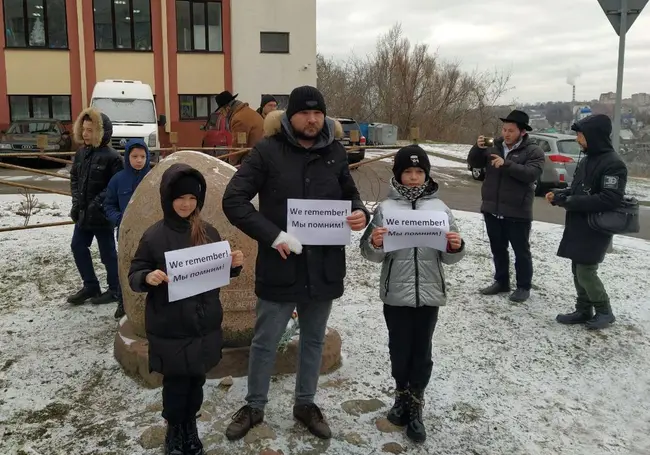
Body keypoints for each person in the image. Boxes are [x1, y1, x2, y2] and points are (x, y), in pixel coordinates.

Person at [221, 85, 369, 441]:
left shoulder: (335, 151)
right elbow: (234, 199)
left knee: (313, 340)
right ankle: (255, 405)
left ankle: (305, 403)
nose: (313, 119)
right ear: (291, 116)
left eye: (318, 113)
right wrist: (273, 236)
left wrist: (360, 212)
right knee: (265, 340)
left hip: (324, 265)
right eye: (305, 113)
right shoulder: (267, 151)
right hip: (281, 264)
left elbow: (350, 194)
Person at [128, 163, 244, 455]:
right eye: (180, 197)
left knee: (196, 381)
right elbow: (135, 274)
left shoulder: (208, 232)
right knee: (176, 385)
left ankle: (190, 426)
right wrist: (147, 277)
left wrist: (233, 266)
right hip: (171, 326)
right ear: (168, 198)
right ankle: (174, 430)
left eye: (192, 198)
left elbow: (218, 273)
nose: (186, 203)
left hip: (203, 324)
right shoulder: (154, 236)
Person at [359, 145, 466, 443]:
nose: (414, 177)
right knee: (399, 348)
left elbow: (450, 257)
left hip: (430, 293)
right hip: (396, 294)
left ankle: (416, 403)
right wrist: (375, 242)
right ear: (398, 174)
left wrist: (456, 246)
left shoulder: (440, 208)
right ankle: (401, 396)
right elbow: (370, 254)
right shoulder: (386, 209)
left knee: (422, 350)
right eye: (408, 171)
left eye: (420, 172)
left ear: (427, 174)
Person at [547, 114, 627, 330]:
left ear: (594, 136)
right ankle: (584, 309)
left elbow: (610, 199)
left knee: (585, 270)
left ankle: (604, 311)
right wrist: (560, 195)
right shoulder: (588, 159)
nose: (577, 140)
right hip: (578, 224)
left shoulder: (614, 164)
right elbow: (577, 189)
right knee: (576, 268)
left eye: (580, 135)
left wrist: (572, 201)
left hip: (596, 227)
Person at [467, 110, 544, 303]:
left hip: (517, 210)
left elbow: (531, 174)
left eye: (511, 130)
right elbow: (473, 163)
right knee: (498, 248)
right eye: (504, 129)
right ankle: (501, 281)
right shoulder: (495, 145)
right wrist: (477, 148)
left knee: (521, 250)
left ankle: (523, 286)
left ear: (522, 132)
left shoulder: (533, 151)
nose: (506, 134)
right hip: (492, 208)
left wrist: (507, 164)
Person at [68, 107, 123, 306]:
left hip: (101, 215)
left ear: (101, 131)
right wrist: (76, 202)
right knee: (77, 246)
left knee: (108, 253)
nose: (85, 133)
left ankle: (115, 289)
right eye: (83, 129)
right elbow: (74, 177)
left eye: (90, 130)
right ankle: (90, 285)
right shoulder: (82, 153)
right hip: (83, 213)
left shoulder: (113, 157)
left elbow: (113, 186)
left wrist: (96, 204)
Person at [104, 138, 152, 319]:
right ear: (127, 157)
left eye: (142, 156)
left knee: (150, 266)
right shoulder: (118, 180)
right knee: (126, 266)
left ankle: (149, 302)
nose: (139, 160)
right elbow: (109, 205)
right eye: (134, 156)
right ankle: (123, 302)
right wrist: (120, 220)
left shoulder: (153, 178)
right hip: (126, 233)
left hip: (150, 232)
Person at [214, 90, 264, 166]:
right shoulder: (247, 112)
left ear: (227, 109)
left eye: (222, 111)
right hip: (259, 154)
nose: (222, 115)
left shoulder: (239, 119)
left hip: (253, 160)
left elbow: (240, 145)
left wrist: (230, 163)